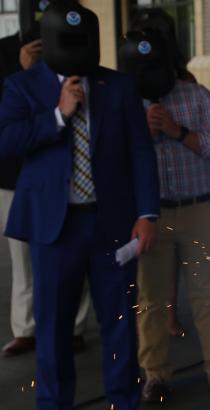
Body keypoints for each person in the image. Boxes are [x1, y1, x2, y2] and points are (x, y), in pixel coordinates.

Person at [0, 2, 159, 409]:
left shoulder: (118, 86)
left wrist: (147, 213)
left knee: (119, 324)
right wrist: (58, 114)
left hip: (113, 226)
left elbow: (140, 152)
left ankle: (124, 400)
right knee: (53, 330)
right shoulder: (23, 85)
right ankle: (54, 404)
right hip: (55, 230)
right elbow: (7, 142)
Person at [118, 29, 210, 402]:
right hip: (151, 217)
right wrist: (140, 134)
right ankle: (155, 376)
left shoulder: (196, 96)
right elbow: (111, 157)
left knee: (208, 297)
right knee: (150, 301)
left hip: (198, 208)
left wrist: (177, 132)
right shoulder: (125, 100)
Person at [0, 0, 91, 358]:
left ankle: (76, 326)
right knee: (23, 255)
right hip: (14, 174)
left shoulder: (74, 42)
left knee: (74, 249)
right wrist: (21, 69)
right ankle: (25, 329)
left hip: (65, 169)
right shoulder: (5, 51)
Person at [130, 7, 199, 338]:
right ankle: (151, 339)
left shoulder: (186, 85)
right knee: (149, 273)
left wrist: (174, 129)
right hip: (144, 192)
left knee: (181, 260)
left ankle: (171, 316)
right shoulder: (125, 83)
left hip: (184, 190)